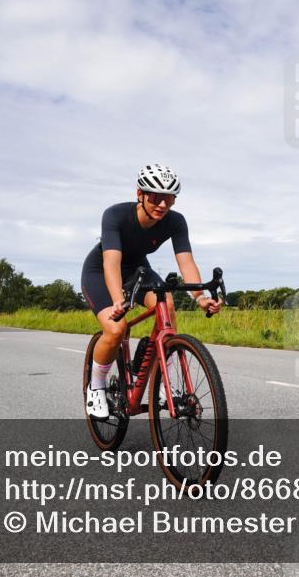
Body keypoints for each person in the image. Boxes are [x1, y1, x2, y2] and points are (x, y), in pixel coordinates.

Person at [81, 163, 222, 419]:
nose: (162, 205)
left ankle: (159, 376)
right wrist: (117, 301)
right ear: (140, 194)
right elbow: (111, 262)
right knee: (116, 329)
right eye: (156, 197)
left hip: (138, 269)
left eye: (169, 199)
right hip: (101, 271)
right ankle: (97, 387)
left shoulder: (176, 221)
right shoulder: (115, 215)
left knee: (166, 304)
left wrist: (200, 297)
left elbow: (186, 261)